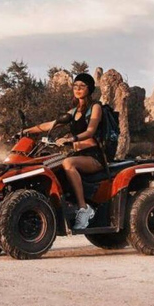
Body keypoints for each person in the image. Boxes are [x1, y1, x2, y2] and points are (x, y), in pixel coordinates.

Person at [21, 73, 106, 229]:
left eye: (82, 86)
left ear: (89, 89)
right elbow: (51, 124)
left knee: (67, 163)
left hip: (93, 156)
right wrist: (28, 131)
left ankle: (83, 208)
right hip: (78, 155)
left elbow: (90, 131)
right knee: (50, 165)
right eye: (75, 86)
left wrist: (71, 139)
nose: (78, 89)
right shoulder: (74, 111)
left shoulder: (95, 107)